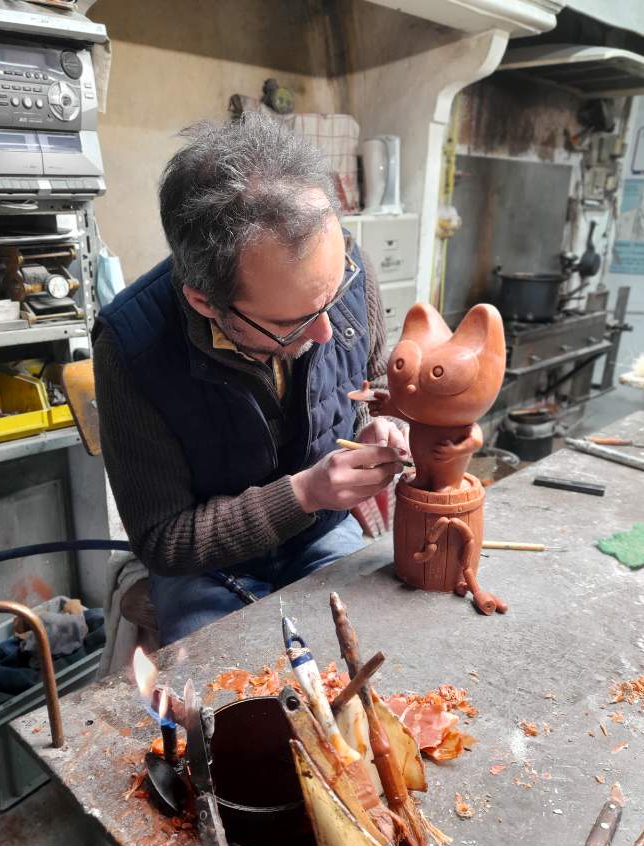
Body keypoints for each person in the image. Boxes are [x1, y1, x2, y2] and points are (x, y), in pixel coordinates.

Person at [93, 113, 408, 646]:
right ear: (204, 302)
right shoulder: (132, 349)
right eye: (293, 322)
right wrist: (305, 492)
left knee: (384, 654)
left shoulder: (340, 268)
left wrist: (385, 424)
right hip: (210, 566)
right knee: (238, 702)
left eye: (332, 298)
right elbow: (164, 540)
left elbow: (373, 386)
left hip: (323, 533)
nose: (328, 331)